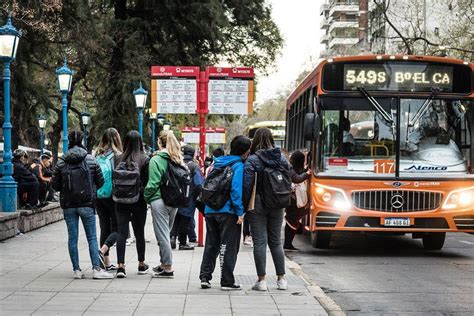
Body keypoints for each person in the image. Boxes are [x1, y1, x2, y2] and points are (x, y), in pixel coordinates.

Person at [51, 130, 113, 279]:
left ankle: (76, 270)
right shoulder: (91, 159)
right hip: (87, 203)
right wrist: (90, 190)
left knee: (72, 238)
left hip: (68, 204)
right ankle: (96, 269)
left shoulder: (62, 161)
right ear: (82, 142)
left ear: (70, 142)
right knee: (91, 237)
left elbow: (55, 185)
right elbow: (101, 181)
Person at [199, 135, 251, 291]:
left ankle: (205, 277)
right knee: (228, 246)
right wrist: (240, 212)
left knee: (211, 244)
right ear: (246, 152)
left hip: (210, 209)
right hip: (228, 211)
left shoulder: (218, 162)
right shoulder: (238, 165)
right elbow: (235, 191)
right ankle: (227, 281)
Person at [243, 127, 289, 291]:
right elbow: (287, 180)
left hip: (258, 204)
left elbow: (247, 185)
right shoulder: (282, 159)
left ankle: (261, 281)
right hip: (277, 202)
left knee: (260, 242)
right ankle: (281, 279)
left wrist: (244, 206)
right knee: (276, 241)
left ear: (255, 140)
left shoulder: (252, 160)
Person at [144, 130, 184, 278]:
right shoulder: (177, 158)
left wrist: (146, 197)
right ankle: (163, 264)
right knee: (165, 233)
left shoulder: (156, 160)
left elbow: (153, 184)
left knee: (163, 236)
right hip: (174, 201)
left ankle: (168, 268)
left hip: (159, 200)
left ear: (160, 142)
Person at [114, 130, 150, 278]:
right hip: (138, 200)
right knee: (139, 232)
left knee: (121, 233)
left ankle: (121, 266)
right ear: (140, 142)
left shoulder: (118, 158)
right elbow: (147, 181)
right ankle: (141, 264)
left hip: (120, 200)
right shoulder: (144, 159)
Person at [95, 128, 123, 271]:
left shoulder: (97, 155)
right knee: (119, 228)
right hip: (113, 196)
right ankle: (102, 251)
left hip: (99, 196)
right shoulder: (118, 156)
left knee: (104, 227)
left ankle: (106, 263)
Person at [171, 145, 203, 250]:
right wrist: (198, 196)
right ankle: (183, 242)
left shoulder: (175, 163)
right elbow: (198, 183)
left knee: (176, 218)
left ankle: (172, 238)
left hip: (175, 195)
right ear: (193, 154)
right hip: (188, 197)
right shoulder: (194, 166)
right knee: (185, 220)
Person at [284, 150, 311, 251]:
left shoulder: (296, 168)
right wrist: (307, 174)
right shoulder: (290, 169)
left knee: (292, 220)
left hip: (294, 199)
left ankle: (288, 244)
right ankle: (287, 244)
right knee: (292, 219)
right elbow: (297, 178)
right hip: (293, 200)